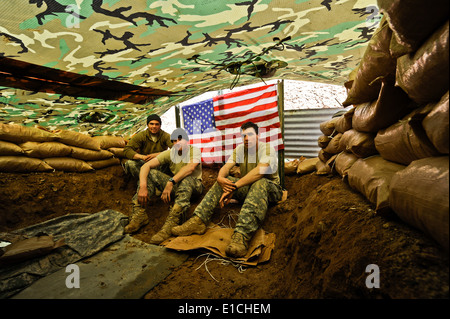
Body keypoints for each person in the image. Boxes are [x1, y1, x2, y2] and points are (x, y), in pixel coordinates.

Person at [172, 121, 283, 258]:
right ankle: (198, 221)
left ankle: (242, 236)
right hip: (249, 188)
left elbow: (260, 172)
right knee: (224, 181)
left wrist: (235, 187)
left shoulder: (267, 148)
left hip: (271, 190)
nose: (246, 138)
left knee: (260, 182)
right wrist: (220, 178)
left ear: (258, 135)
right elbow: (226, 167)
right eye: (244, 136)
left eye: (250, 135)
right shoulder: (240, 149)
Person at [124, 128, 204, 245]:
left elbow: (190, 168)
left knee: (187, 179)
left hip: (195, 188)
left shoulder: (194, 150)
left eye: (180, 140)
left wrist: (171, 181)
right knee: (150, 173)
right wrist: (143, 186)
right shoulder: (171, 153)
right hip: (177, 188)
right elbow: (146, 166)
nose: (177, 143)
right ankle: (140, 214)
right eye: (174, 141)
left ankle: (173, 221)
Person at [123, 114, 173, 179]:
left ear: (160, 126)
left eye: (157, 124)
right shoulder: (141, 136)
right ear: (147, 125)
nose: (154, 126)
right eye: (151, 124)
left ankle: (158, 180)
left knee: (171, 161)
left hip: (160, 162)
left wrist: (157, 155)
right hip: (145, 162)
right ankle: (146, 179)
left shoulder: (166, 136)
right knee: (130, 164)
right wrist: (142, 157)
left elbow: (176, 150)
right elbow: (127, 150)